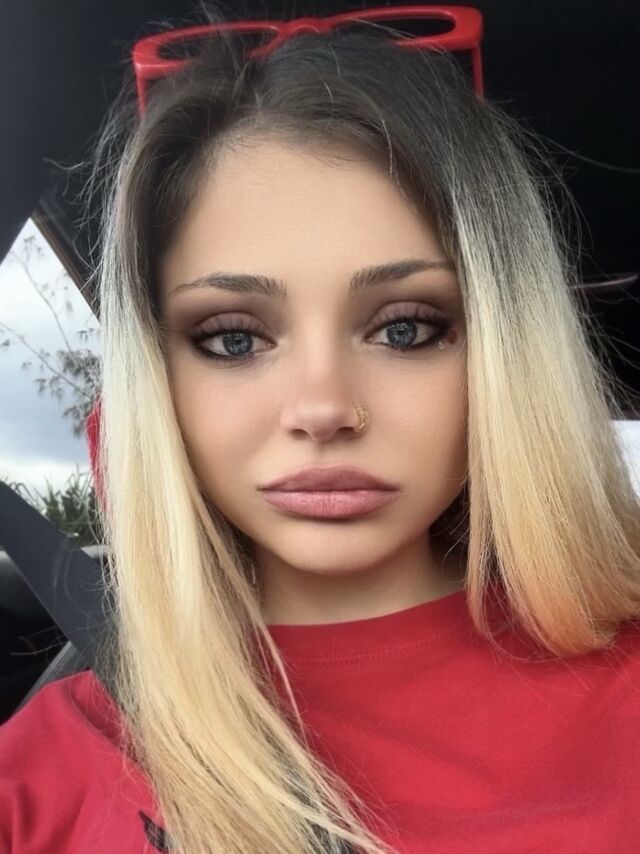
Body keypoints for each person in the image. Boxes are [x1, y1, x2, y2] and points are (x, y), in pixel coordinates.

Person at [2, 3, 640, 853]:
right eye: (233, 339)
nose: (323, 408)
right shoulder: (42, 769)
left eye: (405, 329)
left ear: (505, 359)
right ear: (154, 386)